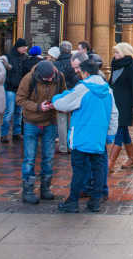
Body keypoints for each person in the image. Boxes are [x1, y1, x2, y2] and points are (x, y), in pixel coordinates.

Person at [53, 54, 118, 213]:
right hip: (99, 138)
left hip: (81, 136)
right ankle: (95, 202)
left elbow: (63, 104)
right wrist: (110, 134)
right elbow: (114, 114)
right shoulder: (108, 90)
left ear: (86, 73)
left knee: (79, 171)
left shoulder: (83, 88)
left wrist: (56, 98)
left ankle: (72, 202)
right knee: (99, 170)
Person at [16, 59, 65, 204]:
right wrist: (38, 107)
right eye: (46, 79)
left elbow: (63, 94)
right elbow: (20, 99)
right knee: (29, 158)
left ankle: (45, 188)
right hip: (31, 122)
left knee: (48, 157)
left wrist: (56, 104)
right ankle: (28, 190)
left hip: (50, 121)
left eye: (51, 77)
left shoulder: (59, 77)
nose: (49, 80)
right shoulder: (28, 78)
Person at [109, 42, 133, 170]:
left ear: (124, 53)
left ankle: (110, 163)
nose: (115, 55)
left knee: (119, 131)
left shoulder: (131, 66)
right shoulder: (115, 65)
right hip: (114, 103)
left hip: (125, 105)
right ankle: (132, 159)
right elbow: (111, 83)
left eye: (117, 52)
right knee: (124, 132)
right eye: (115, 52)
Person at [2, 38, 29, 142]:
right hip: (10, 88)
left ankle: (16, 133)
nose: (25, 49)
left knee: (18, 112)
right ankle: (4, 134)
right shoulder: (9, 57)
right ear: (18, 47)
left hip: (21, 89)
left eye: (26, 47)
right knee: (9, 112)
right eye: (23, 47)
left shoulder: (25, 58)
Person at [53, 40, 76, 153]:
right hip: (73, 93)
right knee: (73, 120)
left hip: (60, 94)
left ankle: (63, 147)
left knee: (61, 120)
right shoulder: (74, 62)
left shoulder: (55, 64)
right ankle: (71, 144)